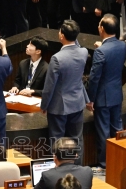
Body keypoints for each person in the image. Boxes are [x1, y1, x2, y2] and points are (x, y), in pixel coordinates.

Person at [41, 20, 89, 157]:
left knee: (57, 141)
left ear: (61, 35)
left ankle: (59, 171)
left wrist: (44, 105)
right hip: (77, 103)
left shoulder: (57, 58)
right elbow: (77, 45)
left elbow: (49, 87)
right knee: (77, 139)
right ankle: (77, 167)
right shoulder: (83, 52)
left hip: (59, 106)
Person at [87, 15, 126, 168]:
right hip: (116, 93)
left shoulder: (100, 52)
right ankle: (121, 157)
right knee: (118, 128)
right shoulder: (123, 46)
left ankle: (105, 163)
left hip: (102, 97)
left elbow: (94, 78)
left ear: (102, 29)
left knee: (103, 131)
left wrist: (90, 99)